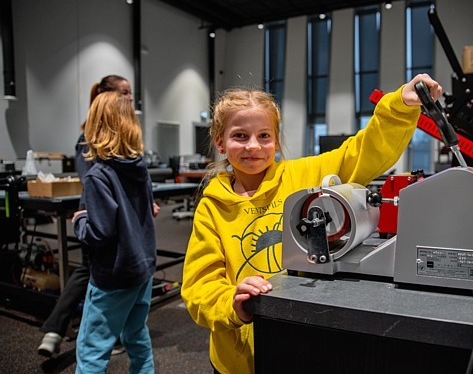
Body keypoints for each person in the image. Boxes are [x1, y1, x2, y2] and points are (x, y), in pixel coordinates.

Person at [180, 73, 442, 374]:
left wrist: (399, 106)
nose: (253, 146)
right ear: (220, 142)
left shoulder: (303, 175)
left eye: (264, 136)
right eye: (240, 136)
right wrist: (232, 302)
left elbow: (360, 153)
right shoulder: (212, 207)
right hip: (237, 360)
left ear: (276, 141)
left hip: (299, 344)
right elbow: (200, 286)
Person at [38, 75, 136, 358]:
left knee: (98, 274)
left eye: (130, 93)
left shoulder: (123, 135)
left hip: (115, 216)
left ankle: (58, 330)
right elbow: (94, 180)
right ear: (108, 96)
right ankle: (72, 332)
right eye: (125, 93)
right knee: (97, 275)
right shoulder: (89, 138)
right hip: (100, 216)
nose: (130, 98)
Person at [71, 91, 158, 373]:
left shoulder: (97, 175)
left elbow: (100, 232)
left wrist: (80, 220)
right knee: (136, 336)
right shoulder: (140, 168)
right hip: (142, 270)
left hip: (113, 276)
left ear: (94, 126)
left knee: (92, 351)